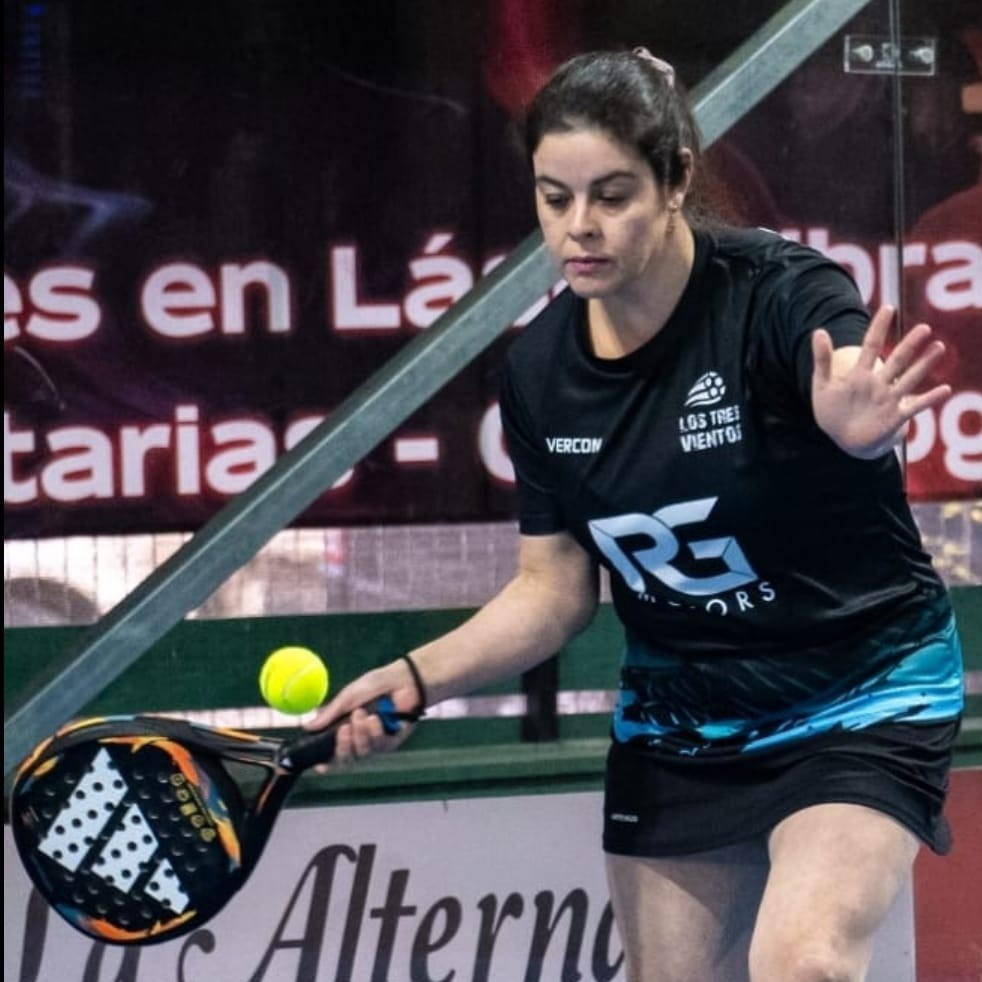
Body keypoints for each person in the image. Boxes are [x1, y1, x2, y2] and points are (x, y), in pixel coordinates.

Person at [308, 48, 965, 982]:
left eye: (612, 195)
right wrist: (417, 678)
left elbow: (848, 371)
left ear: (676, 180)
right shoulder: (540, 374)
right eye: (555, 198)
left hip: (858, 689)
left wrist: (856, 426)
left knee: (804, 963)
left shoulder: (779, 294)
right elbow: (553, 592)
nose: (580, 225)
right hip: (683, 721)